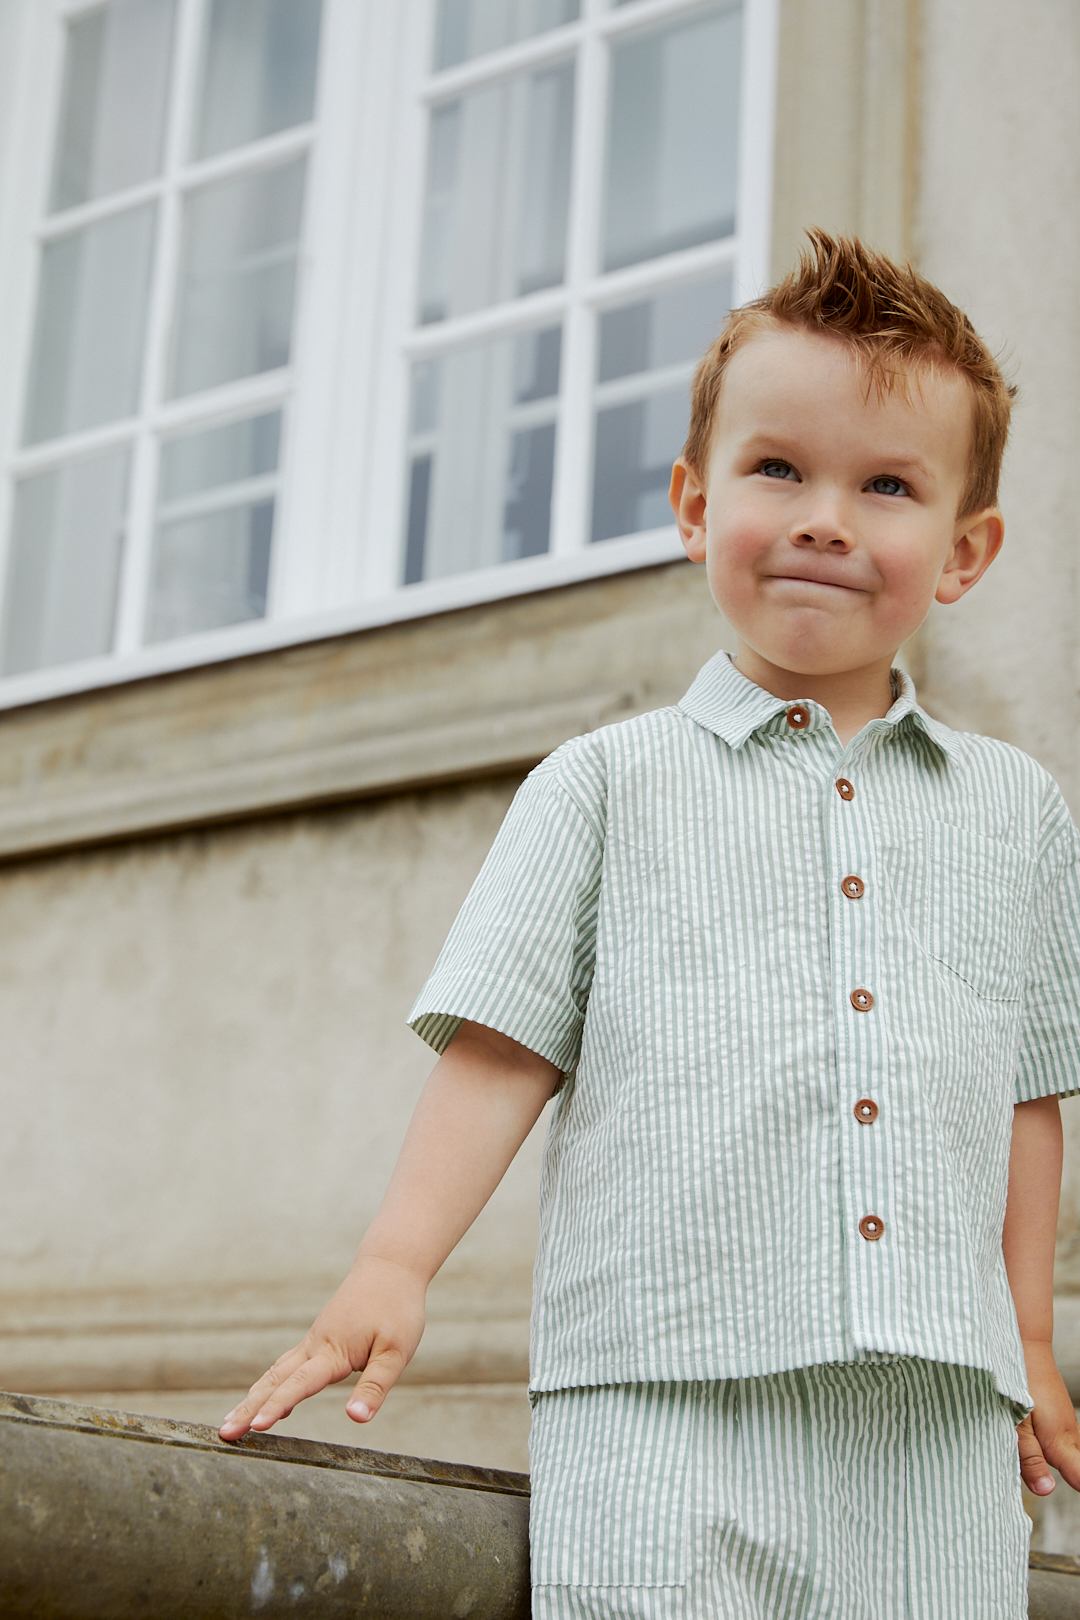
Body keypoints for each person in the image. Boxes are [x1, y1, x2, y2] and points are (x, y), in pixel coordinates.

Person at [218, 228, 1080, 1617]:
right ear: (693, 503)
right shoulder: (604, 784)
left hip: (935, 1414)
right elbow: (503, 1045)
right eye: (779, 469)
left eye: (888, 486)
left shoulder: (1020, 813)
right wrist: (393, 1265)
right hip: (658, 1388)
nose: (825, 517)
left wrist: (1030, 1340)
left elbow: (1029, 1091)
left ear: (966, 551)